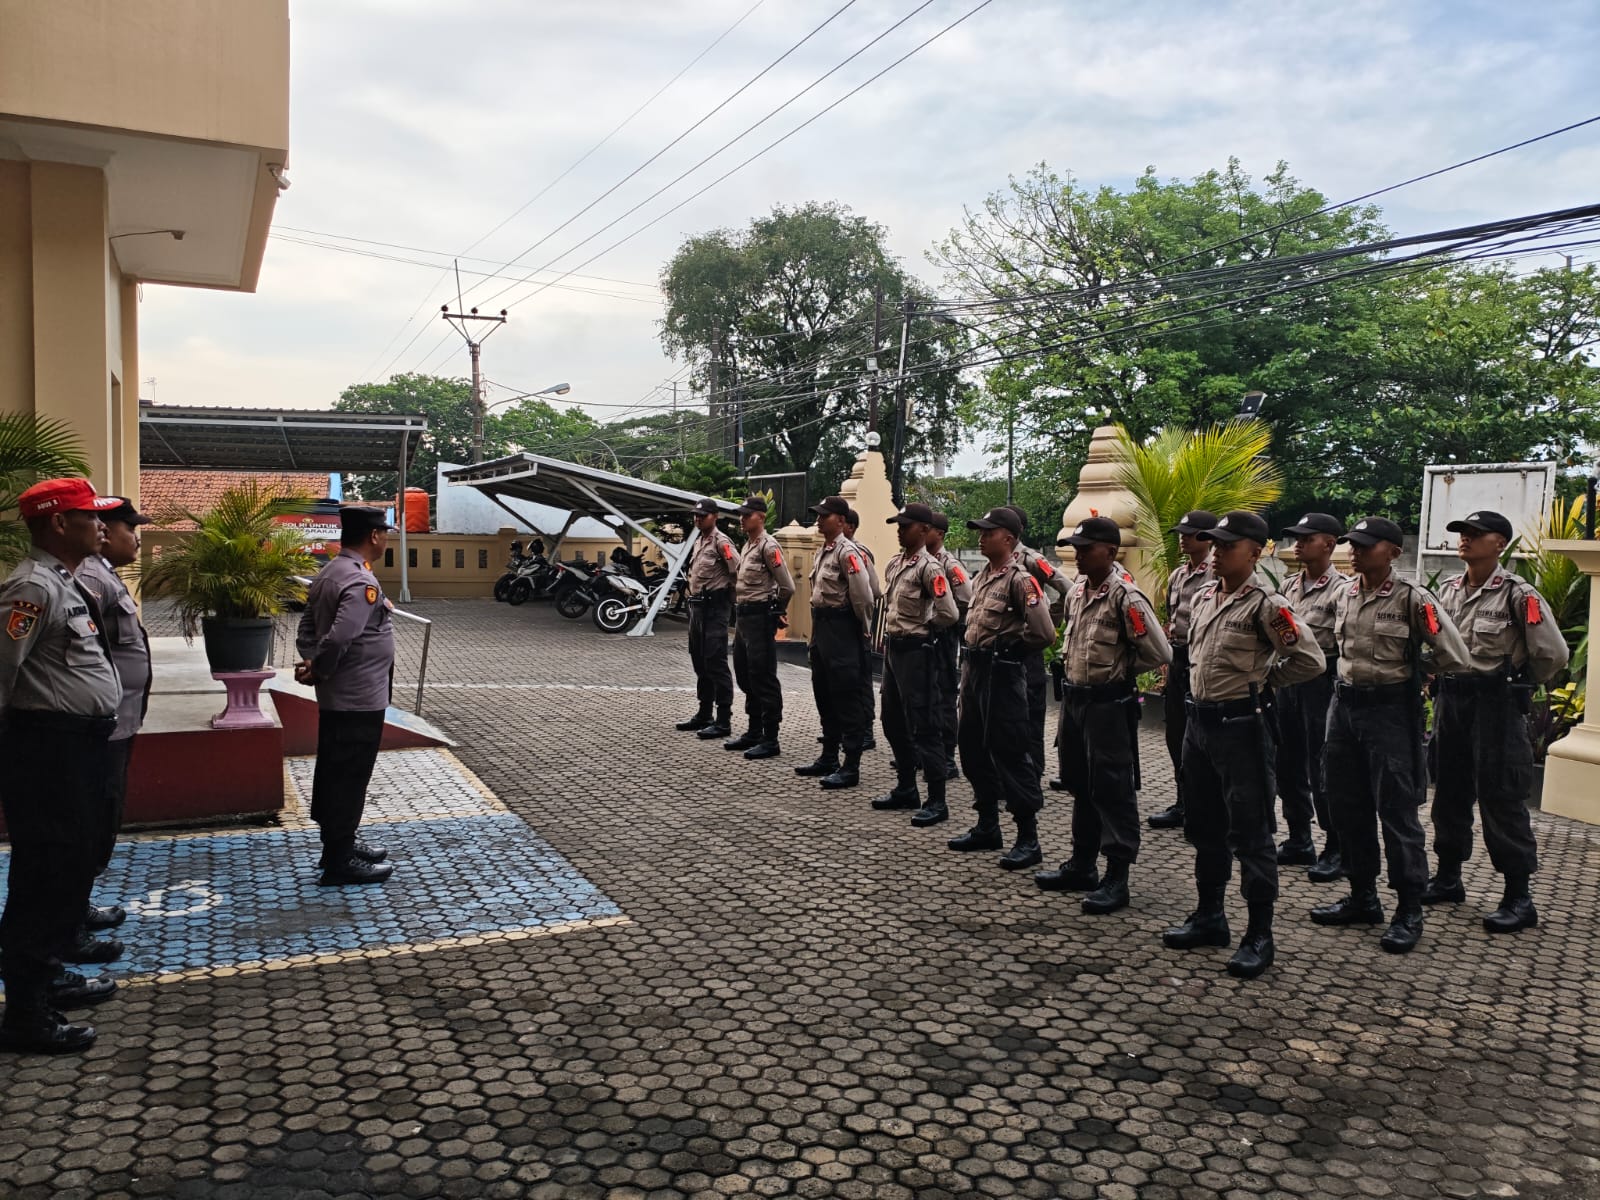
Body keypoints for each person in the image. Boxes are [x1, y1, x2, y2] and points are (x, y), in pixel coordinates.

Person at [1160, 512, 1326, 979]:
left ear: (1254, 553)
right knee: (1204, 827)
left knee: (1251, 833)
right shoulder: (1205, 595)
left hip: (1242, 728)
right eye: (1214, 545)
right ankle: (1210, 916)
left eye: (1227, 546)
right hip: (1199, 726)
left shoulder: (1267, 605)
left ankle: (1259, 935)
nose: (1216, 553)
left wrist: (1265, 683)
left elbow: (1310, 660)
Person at [0, 478, 124, 1054]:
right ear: (56, 523)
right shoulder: (31, 588)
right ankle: (26, 1014)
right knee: (44, 877)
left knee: (70, 867)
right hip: (48, 751)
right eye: (89, 516)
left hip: (77, 747)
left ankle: (48, 978)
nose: (100, 524)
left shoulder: (65, 582)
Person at [1310, 517, 1469, 954]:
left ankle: (1409, 909)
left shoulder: (1413, 599)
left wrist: (1417, 672)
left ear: (1393, 552)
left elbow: (1455, 654)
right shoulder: (1343, 593)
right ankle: (1363, 897)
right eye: (1353, 544)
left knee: (1397, 813)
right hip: (1343, 710)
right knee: (1347, 806)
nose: (1356, 551)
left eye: (1367, 545)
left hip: (1390, 713)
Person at [1427, 510, 1569, 933]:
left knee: (1501, 796)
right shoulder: (1448, 590)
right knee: (1449, 791)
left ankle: (1518, 897)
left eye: (1476, 534)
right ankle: (1448, 878)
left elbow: (1553, 654)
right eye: (1462, 533)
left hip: (1496, 704)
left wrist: (1515, 684)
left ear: (1500, 544)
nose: (1465, 539)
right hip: (1451, 700)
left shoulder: (1518, 595)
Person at [1035, 517, 1171, 913]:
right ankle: (1082, 864)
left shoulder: (1126, 596)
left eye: (1086, 548)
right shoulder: (1078, 591)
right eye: (1075, 548)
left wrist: (1119, 672)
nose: (1078, 555)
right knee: (1080, 785)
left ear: (1110, 552)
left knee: (1112, 790)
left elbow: (1159, 652)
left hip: (1109, 705)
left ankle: (1117, 876)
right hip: (1075, 702)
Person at [294, 506, 399, 886]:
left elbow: (307, 626)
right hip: (358, 697)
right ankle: (340, 861)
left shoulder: (331, 572)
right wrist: (320, 668)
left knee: (337, 772)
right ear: (374, 536)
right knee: (348, 778)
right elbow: (341, 636)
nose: (386, 539)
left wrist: (312, 660)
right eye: (385, 533)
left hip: (343, 695)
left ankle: (339, 845)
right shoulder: (358, 581)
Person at [947, 508, 1057, 869]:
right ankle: (987, 825)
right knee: (972, 749)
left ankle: (1028, 837)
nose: (981, 538)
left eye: (988, 532)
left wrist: (1012, 653)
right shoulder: (981, 577)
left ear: (1008, 539)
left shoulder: (1020, 580)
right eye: (980, 532)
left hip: (1003, 676)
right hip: (974, 672)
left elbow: (1044, 632)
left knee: (1010, 754)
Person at [71, 496, 154, 963]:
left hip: (117, 722)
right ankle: (68, 925)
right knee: (88, 824)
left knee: (102, 820)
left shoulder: (103, 576)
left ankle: (76, 908)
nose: (134, 538)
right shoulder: (89, 580)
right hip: (98, 728)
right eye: (129, 529)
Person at [870, 503, 960, 825]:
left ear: (924, 530)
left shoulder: (930, 568)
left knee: (925, 724)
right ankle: (906, 787)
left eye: (905, 526)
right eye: (898, 525)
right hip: (894, 651)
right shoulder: (896, 564)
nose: (899, 530)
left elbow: (949, 613)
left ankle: (937, 799)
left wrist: (924, 627)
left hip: (917, 652)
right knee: (892, 720)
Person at [1275, 513, 1350, 880]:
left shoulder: (1342, 589)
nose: (1298, 544)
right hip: (1289, 679)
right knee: (1287, 762)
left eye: (1307, 538)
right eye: (1296, 538)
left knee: (1323, 767)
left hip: (1323, 682)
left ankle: (1335, 846)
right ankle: (1298, 838)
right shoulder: (1287, 586)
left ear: (1329, 545)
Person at [795, 496, 876, 789]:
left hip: (842, 629)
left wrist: (862, 628)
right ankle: (828, 756)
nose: (819, 520)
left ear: (841, 521)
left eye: (824, 516)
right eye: (818, 515)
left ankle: (850, 765)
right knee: (824, 693)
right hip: (822, 627)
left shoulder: (848, 552)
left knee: (846, 697)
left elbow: (864, 596)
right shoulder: (823, 551)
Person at [1148, 510, 1217, 832]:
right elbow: (1173, 617)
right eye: (1182, 533)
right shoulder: (1178, 575)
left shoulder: (1217, 572)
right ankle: (1183, 801)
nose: (1183, 538)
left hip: (1202, 659)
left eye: (1190, 533)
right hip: (1178, 659)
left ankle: (1205, 807)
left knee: (1201, 738)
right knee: (1176, 735)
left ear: (1208, 538)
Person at [1000, 506, 1069, 779]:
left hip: (1028, 650)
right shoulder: (999, 560)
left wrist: (1050, 618)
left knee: (1030, 714)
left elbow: (1068, 588)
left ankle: (1033, 774)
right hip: (1006, 653)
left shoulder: (1031, 559)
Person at [724, 495, 795, 760]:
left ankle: (770, 737)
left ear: (761, 517)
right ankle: (754, 731)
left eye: (747, 515)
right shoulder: (748, 545)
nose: (742, 519)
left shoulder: (768, 546)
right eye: (741, 515)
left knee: (763, 676)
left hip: (759, 617)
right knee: (745, 674)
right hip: (743, 618)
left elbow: (787, 586)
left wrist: (776, 611)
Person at [674, 498, 738, 739]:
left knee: (716, 662)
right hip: (698, 608)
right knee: (700, 661)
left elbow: (737, 571)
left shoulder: (722, 542)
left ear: (715, 516)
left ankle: (723, 720)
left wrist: (730, 600)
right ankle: (704, 713)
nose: (698, 519)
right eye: (696, 515)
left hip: (715, 608)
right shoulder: (699, 541)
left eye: (703, 515)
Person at [927, 512, 973, 779]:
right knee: (924, 694)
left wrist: (948, 617)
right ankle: (926, 753)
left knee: (944, 694)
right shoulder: (920, 560)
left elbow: (967, 598)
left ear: (940, 534)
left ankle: (947, 757)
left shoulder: (949, 564)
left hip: (943, 635)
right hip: (924, 636)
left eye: (928, 529)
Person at [842, 507, 881, 753]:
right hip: (837, 626)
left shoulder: (859, 553)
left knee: (861, 679)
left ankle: (866, 730)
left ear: (851, 527)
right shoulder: (830, 551)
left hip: (855, 623)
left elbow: (872, 591)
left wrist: (864, 623)